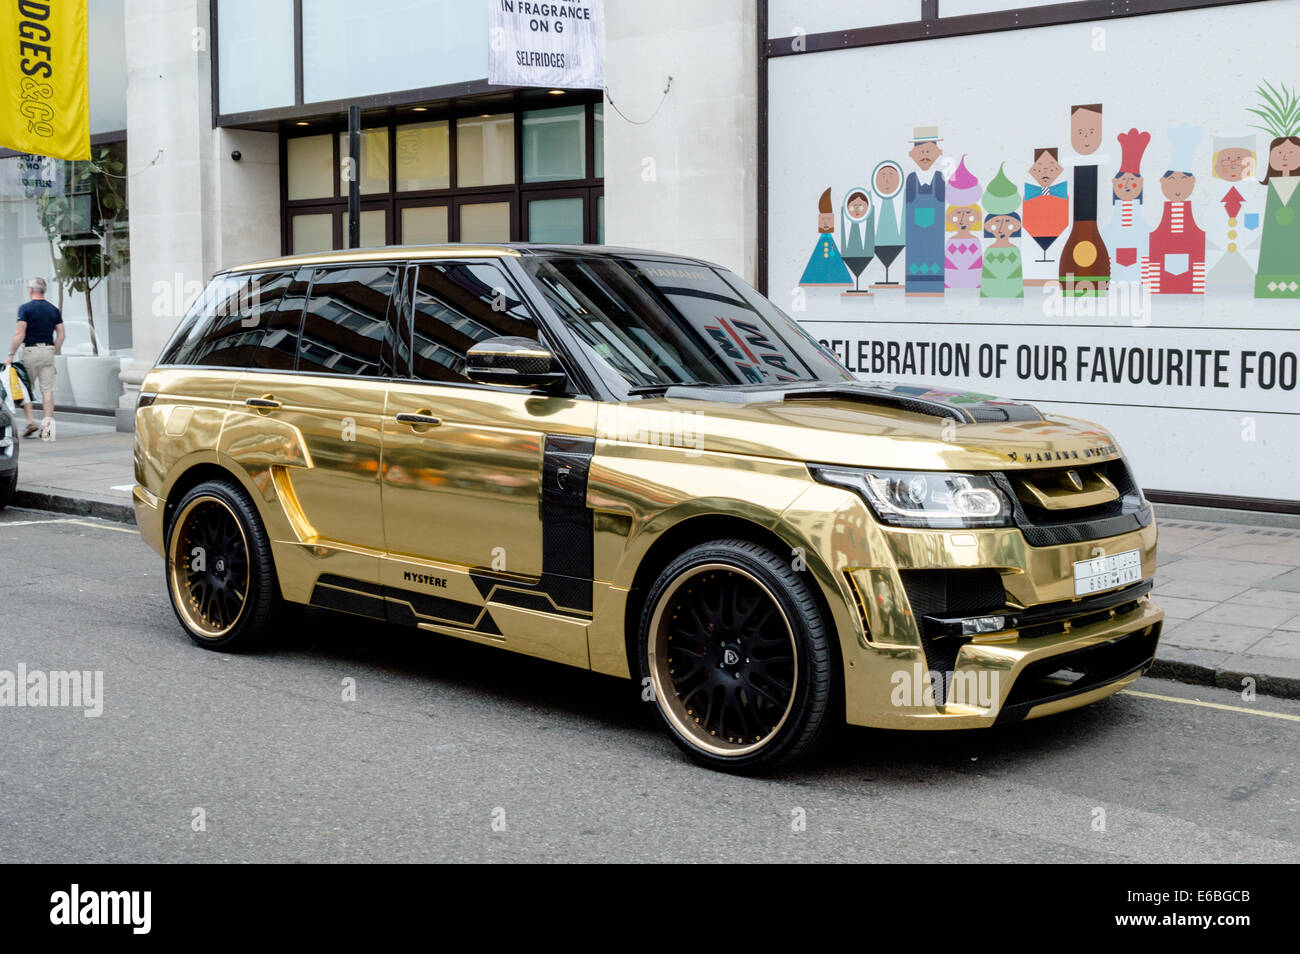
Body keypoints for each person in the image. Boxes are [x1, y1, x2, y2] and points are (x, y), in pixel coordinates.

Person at [6, 277, 64, 440]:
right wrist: (55, 349)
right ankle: (47, 429)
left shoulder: (25, 309)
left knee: (25, 388)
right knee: (48, 390)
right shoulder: (53, 310)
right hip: (48, 351)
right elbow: (61, 334)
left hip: (30, 352)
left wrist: (10, 354)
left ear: (31, 290)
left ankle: (31, 421)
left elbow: (20, 333)